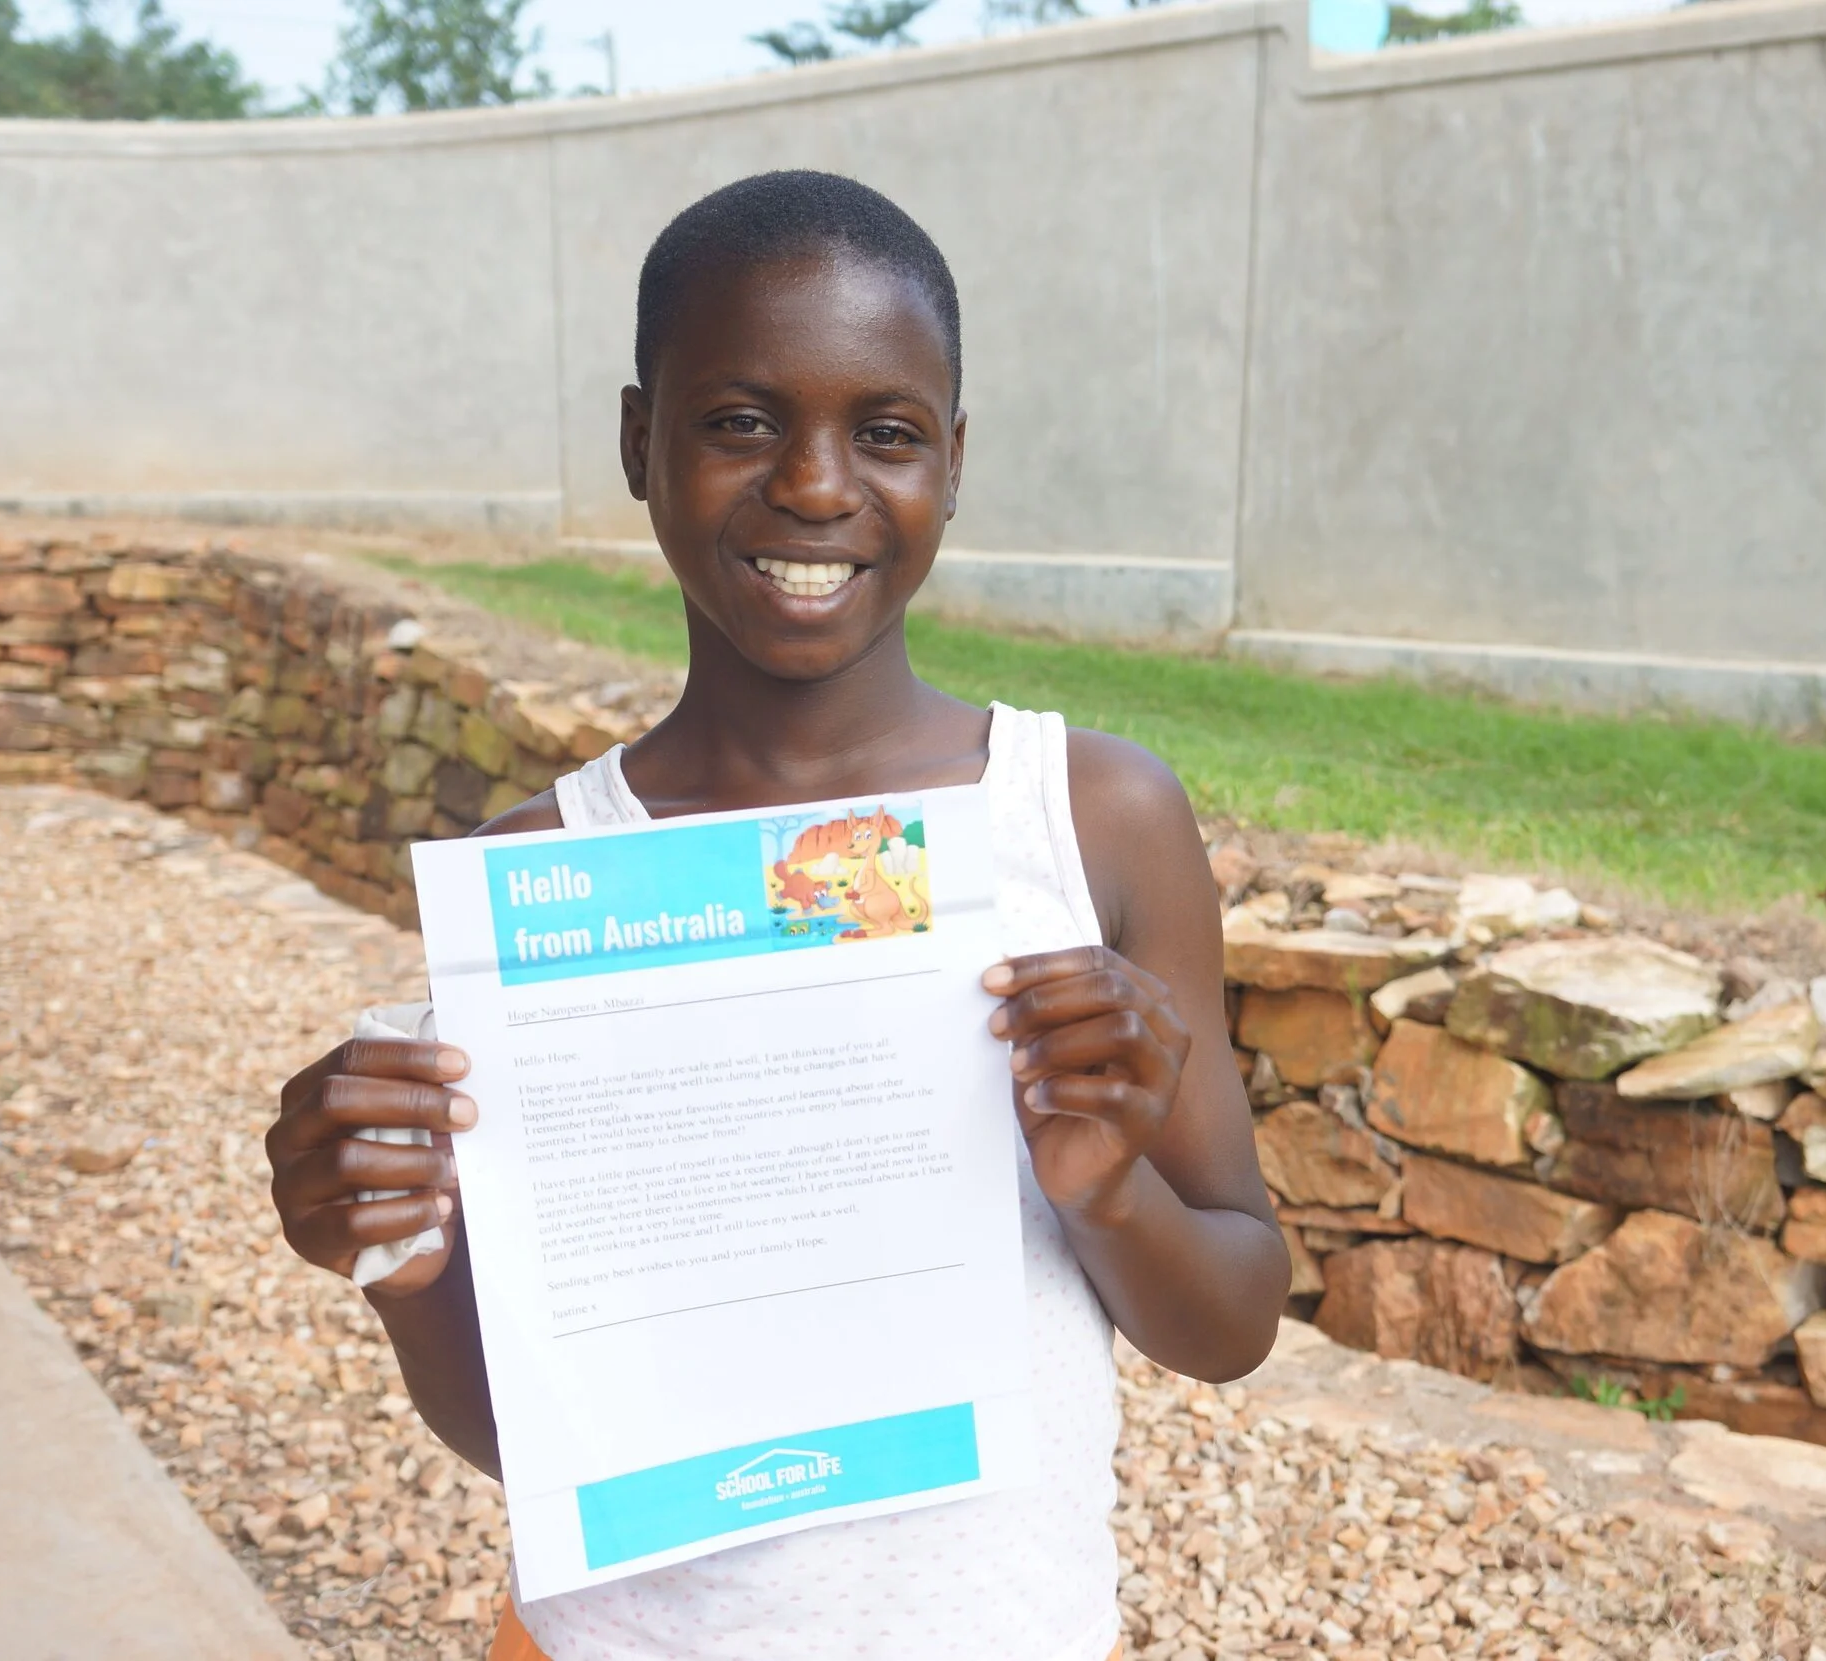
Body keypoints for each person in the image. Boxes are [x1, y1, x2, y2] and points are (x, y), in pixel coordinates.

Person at [267, 170, 1289, 1661]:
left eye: (886, 432)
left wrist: (1109, 1188)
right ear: (640, 441)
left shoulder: (1089, 817)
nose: (816, 486)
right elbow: (540, 1440)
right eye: (741, 420)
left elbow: (1235, 1320)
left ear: (954, 457)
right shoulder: (548, 884)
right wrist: (404, 1268)